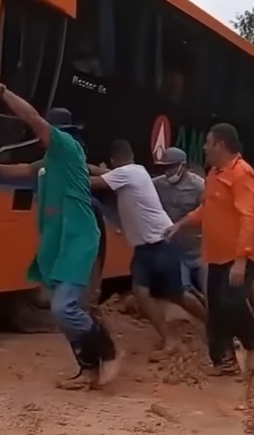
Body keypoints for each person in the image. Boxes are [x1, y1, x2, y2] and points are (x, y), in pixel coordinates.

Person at [0, 69, 119, 388]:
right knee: (63, 312)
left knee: (64, 308)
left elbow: (32, 118)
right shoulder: (51, 161)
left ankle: (106, 351)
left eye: (48, 129)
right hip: (56, 243)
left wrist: (1, 90)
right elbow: (26, 169)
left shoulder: (65, 146)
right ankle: (88, 369)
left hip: (78, 238)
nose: (43, 134)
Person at [167, 122, 254, 376]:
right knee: (217, 309)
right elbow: (209, 209)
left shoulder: (242, 175)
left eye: (208, 142)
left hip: (238, 256)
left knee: (232, 302)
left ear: (220, 145)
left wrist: (241, 260)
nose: (204, 147)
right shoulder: (215, 173)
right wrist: (182, 223)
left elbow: (247, 217)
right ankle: (224, 361)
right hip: (215, 255)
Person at [89, 140, 207, 360]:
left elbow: (93, 182)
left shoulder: (128, 173)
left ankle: (213, 326)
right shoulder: (136, 172)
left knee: (177, 294)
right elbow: (106, 173)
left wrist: (63, 173)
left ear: (115, 160)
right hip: (145, 247)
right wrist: (88, 165)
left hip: (161, 244)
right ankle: (171, 341)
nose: (166, 171)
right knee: (141, 292)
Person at [152, 147, 205, 296]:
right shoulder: (158, 184)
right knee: (183, 290)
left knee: (209, 289)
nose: (167, 171)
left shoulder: (199, 186)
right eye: (164, 167)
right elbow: (137, 182)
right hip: (174, 251)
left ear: (182, 165)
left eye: (171, 167)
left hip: (197, 252)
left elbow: (209, 213)